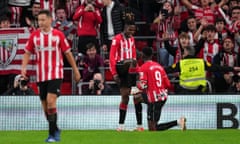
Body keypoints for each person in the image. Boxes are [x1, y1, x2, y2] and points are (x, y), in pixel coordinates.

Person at [21, 10, 81, 142]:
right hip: (41, 75)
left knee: (50, 101)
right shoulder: (34, 36)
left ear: (49, 20)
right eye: (39, 20)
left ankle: (51, 135)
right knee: (44, 105)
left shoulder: (58, 35)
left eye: (43, 20)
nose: (40, 23)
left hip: (56, 73)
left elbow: (68, 53)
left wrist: (75, 70)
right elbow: (27, 52)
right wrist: (23, 68)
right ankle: (56, 129)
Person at [136, 47, 186, 131]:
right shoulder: (159, 66)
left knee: (153, 128)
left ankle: (178, 122)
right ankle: (139, 126)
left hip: (154, 99)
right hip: (162, 97)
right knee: (137, 98)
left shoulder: (143, 68)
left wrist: (137, 86)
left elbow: (143, 85)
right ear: (152, 56)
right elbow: (168, 84)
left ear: (142, 56)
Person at [109, 17, 143, 131]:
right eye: (130, 30)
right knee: (125, 97)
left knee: (134, 98)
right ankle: (121, 125)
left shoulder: (132, 39)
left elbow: (134, 56)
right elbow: (112, 57)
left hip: (131, 71)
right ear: (125, 28)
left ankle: (139, 126)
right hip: (121, 69)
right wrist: (114, 73)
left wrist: (138, 71)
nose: (132, 32)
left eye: (133, 30)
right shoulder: (117, 39)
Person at [165, 46, 240, 94]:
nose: (183, 55)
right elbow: (217, 67)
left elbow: (168, 69)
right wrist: (232, 68)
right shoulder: (201, 62)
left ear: (186, 53)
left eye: (183, 53)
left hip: (184, 91)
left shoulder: (181, 63)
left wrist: (155, 68)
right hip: (198, 91)